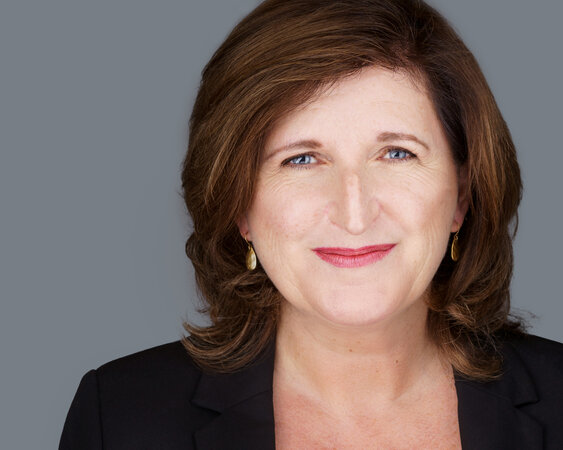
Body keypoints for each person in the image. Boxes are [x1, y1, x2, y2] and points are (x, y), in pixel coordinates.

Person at [59, 0, 563, 448]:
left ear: (462, 195)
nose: (354, 213)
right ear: (239, 206)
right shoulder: (119, 419)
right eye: (301, 159)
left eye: (396, 153)